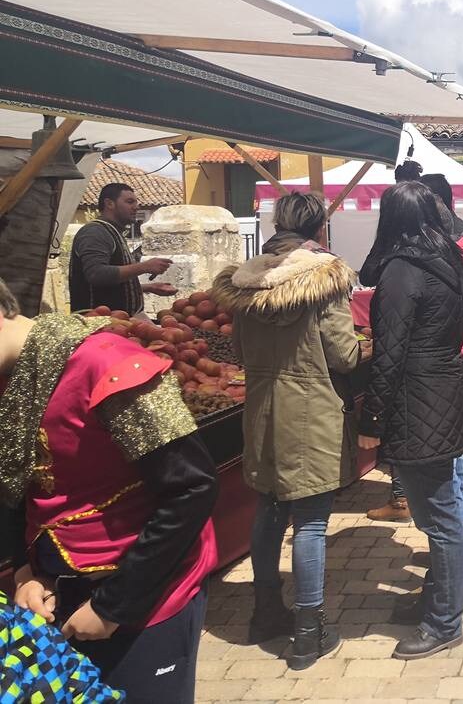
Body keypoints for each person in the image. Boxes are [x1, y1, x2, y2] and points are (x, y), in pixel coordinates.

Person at [1, 278, 218, 702]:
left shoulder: (105, 362)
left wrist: (113, 607)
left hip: (146, 594)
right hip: (55, 591)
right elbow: (13, 482)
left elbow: (192, 488)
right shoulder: (9, 377)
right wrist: (26, 571)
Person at [212, 192, 366, 670]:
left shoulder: (246, 279)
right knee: (312, 522)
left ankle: (265, 611)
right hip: (312, 410)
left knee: (268, 511)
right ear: (319, 226)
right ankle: (308, 630)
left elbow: (236, 347)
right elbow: (343, 354)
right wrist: (371, 346)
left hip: (260, 409)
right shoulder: (324, 278)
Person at [358, 182, 463, 660]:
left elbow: (390, 352)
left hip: (417, 396)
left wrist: (373, 416)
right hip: (445, 387)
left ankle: (444, 621)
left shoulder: (404, 269)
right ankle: (440, 600)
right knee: (446, 505)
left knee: (440, 518)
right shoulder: (446, 260)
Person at [68, 183, 176, 314]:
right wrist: (145, 267)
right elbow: (96, 274)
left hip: (116, 323)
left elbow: (108, 286)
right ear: (109, 204)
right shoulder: (94, 232)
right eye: (130, 202)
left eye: (136, 202)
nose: (136, 207)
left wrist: (149, 287)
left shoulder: (111, 232)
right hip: (97, 325)